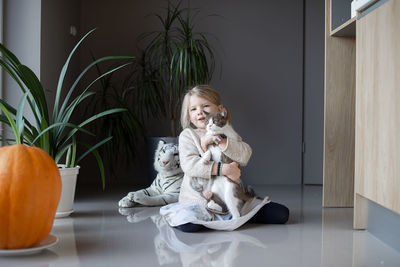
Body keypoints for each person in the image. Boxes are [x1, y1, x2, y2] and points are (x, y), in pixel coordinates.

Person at [160, 85, 289, 232]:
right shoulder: (188, 135)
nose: (200, 112)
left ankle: (237, 214)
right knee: (189, 225)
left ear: (220, 110)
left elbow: (245, 155)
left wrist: (219, 139)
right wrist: (224, 169)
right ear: (189, 116)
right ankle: (215, 218)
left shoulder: (227, 133)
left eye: (205, 106)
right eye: (193, 109)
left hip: (229, 198)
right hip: (199, 201)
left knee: (281, 214)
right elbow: (190, 165)